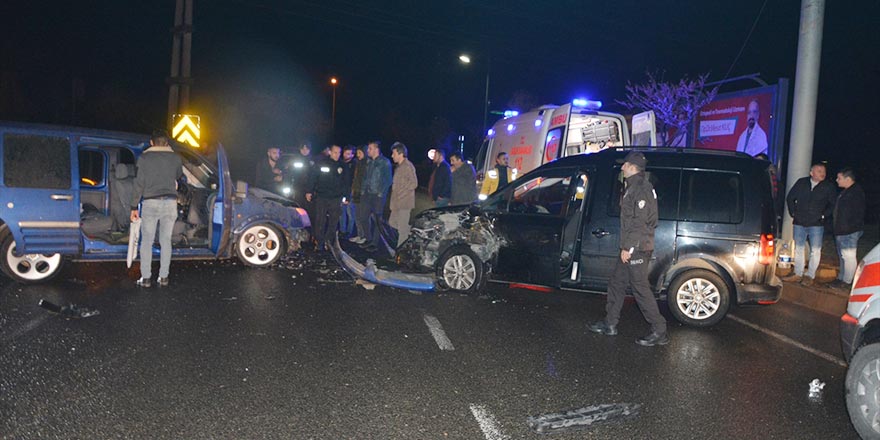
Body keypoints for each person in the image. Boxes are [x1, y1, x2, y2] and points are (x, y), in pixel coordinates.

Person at [588, 151, 668, 347]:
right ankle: (610, 323)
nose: (622, 167)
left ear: (632, 166)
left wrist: (629, 248)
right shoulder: (632, 186)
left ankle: (659, 330)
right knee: (616, 283)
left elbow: (639, 223)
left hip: (637, 248)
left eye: (625, 165)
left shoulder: (641, 188)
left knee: (640, 288)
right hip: (631, 247)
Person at [130, 130, 184, 288]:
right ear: (166, 143)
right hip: (170, 203)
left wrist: (134, 206)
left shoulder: (145, 158)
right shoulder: (175, 157)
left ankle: (146, 278)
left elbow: (139, 183)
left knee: (146, 241)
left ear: (151, 142)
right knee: (165, 240)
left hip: (151, 203)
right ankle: (164, 277)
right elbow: (179, 174)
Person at [784, 162, 837, 286]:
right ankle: (798, 273)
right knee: (799, 248)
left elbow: (833, 204)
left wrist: (823, 216)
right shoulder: (802, 183)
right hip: (799, 222)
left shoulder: (828, 187)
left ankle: (810, 275)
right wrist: (793, 213)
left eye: (823, 171)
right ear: (811, 172)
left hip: (817, 224)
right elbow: (790, 197)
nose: (822, 173)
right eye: (819, 171)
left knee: (815, 250)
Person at [306, 145, 348, 251]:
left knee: (333, 220)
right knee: (320, 220)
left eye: (339, 152)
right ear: (330, 152)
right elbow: (313, 177)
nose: (337, 155)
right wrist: (309, 191)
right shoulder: (321, 163)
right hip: (322, 196)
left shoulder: (343, 165)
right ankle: (319, 242)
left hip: (336, 197)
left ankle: (329, 241)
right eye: (335, 152)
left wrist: (347, 196)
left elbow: (347, 182)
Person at [830, 167, 865, 289]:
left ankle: (847, 281)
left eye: (839, 178)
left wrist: (848, 228)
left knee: (848, 256)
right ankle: (842, 278)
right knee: (843, 255)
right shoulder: (847, 192)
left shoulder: (855, 193)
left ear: (848, 179)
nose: (836, 180)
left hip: (848, 231)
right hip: (842, 230)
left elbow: (857, 214)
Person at [358, 141, 392, 252]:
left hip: (377, 195)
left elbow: (388, 179)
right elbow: (365, 177)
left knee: (378, 220)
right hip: (367, 194)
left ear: (376, 149)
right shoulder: (369, 162)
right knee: (363, 216)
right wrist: (362, 190)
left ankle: (374, 243)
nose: (368, 151)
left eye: (370, 149)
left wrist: (381, 193)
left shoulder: (384, 162)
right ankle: (368, 238)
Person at [389, 142, 418, 247]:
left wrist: (402, 193)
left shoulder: (407, 166)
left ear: (400, 154)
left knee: (402, 230)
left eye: (394, 153)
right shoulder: (399, 167)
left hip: (404, 204)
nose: (392, 156)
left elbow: (414, 183)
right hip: (397, 203)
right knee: (392, 223)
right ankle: (410, 232)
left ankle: (400, 252)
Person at [348, 146, 369, 243]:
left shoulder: (367, 164)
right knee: (356, 215)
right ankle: (359, 234)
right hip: (355, 192)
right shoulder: (358, 163)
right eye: (357, 153)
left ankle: (364, 236)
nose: (358, 155)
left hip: (362, 193)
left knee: (361, 216)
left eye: (360, 153)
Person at [339, 145, 358, 238]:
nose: (346, 155)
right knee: (341, 212)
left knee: (350, 213)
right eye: (345, 153)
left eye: (348, 154)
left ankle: (349, 231)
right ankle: (342, 230)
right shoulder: (341, 163)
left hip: (351, 191)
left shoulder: (355, 165)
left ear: (352, 155)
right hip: (341, 191)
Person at [288, 143, 314, 210]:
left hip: (310, 188)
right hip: (298, 187)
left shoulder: (313, 161)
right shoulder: (295, 159)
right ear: (300, 149)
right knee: (297, 206)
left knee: (309, 208)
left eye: (307, 149)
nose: (305, 150)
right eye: (303, 148)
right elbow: (291, 172)